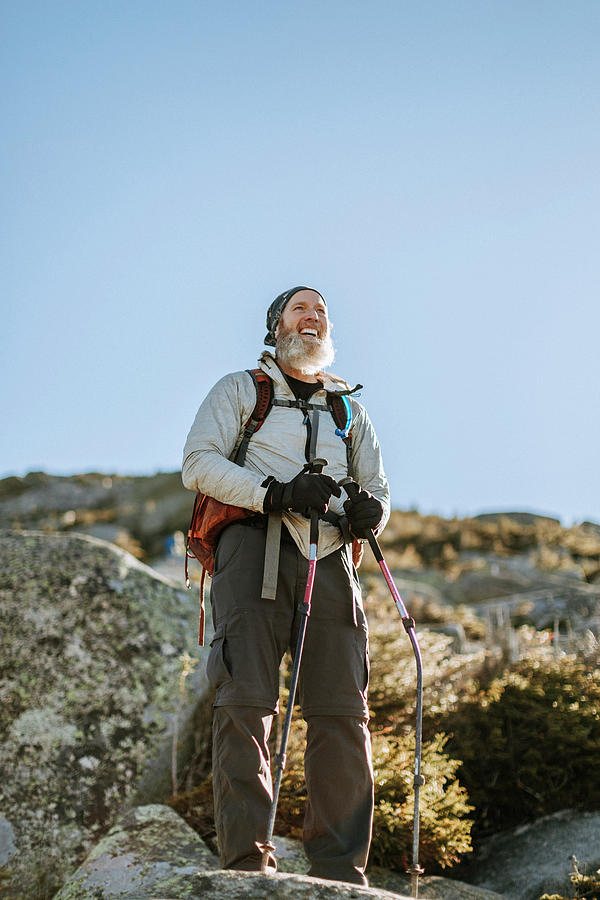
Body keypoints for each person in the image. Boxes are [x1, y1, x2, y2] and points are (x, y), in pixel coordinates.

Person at [182, 286, 390, 885]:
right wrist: (273, 492)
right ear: (276, 327)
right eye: (301, 308)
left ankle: (340, 876)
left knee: (344, 714)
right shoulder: (240, 390)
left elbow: (375, 484)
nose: (314, 317)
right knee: (245, 703)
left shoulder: (349, 406)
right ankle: (248, 868)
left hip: (330, 560)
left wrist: (370, 512)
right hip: (252, 549)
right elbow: (198, 461)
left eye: (322, 311)